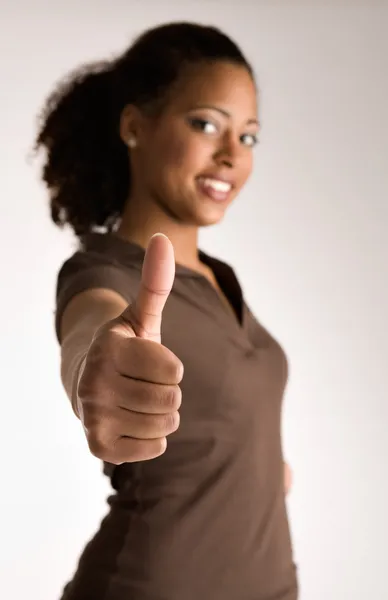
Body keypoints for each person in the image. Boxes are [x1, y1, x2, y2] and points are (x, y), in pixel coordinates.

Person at [34, 21, 297, 600]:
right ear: (134, 126)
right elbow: (89, 331)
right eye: (206, 124)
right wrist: (88, 375)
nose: (231, 155)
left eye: (248, 137)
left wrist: (257, 473)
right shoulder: (106, 273)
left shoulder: (220, 281)